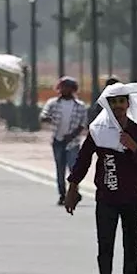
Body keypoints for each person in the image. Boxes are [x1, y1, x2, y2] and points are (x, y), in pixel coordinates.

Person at [65, 89, 137, 274]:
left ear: (128, 104)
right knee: (105, 247)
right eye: (113, 102)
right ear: (107, 105)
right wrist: (72, 187)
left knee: (131, 248)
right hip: (106, 198)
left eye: (121, 101)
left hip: (133, 199)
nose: (117, 106)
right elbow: (83, 159)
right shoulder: (98, 131)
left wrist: (134, 146)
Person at [40, 77, 89, 206]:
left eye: (67, 87)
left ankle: (74, 192)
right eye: (62, 87)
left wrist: (72, 136)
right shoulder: (53, 103)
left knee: (74, 169)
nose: (64, 89)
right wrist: (47, 118)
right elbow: (44, 115)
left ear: (73, 89)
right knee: (60, 169)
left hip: (73, 143)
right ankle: (62, 194)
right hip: (58, 141)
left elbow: (83, 124)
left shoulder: (80, 106)